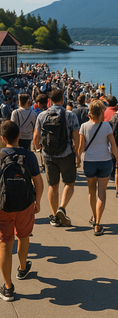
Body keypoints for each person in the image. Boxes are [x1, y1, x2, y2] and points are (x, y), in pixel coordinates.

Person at [0, 121, 43, 301]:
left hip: (3, 206)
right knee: (23, 236)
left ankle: (8, 287)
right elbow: (39, 182)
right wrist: (37, 201)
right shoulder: (29, 156)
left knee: (4, 244)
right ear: (19, 135)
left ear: (3, 139)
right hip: (25, 204)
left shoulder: (0, 156)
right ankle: (23, 268)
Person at [33, 89, 80, 227]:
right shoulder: (70, 115)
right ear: (62, 100)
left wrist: (38, 149)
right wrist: (77, 153)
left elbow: (36, 138)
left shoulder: (41, 116)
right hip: (66, 154)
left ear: (50, 101)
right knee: (69, 183)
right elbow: (76, 138)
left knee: (53, 186)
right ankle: (62, 208)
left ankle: (54, 217)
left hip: (48, 155)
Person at [77, 100, 118, 236]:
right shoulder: (106, 126)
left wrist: (78, 158)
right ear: (102, 111)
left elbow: (81, 146)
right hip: (105, 161)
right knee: (102, 191)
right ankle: (98, 223)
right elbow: (113, 145)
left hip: (89, 161)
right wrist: (117, 159)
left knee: (91, 191)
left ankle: (94, 216)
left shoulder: (84, 126)